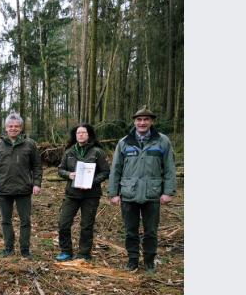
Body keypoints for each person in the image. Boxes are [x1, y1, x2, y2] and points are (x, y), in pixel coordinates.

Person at [107, 106, 177, 273]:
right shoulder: (124, 142)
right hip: (128, 193)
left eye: (146, 119)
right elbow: (115, 168)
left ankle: (149, 261)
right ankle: (132, 260)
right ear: (134, 122)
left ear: (152, 121)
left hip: (152, 194)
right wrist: (113, 193)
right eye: (139, 119)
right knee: (130, 231)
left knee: (151, 232)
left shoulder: (162, 141)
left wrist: (168, 192)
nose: (142, 122)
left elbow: (169, 168)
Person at [0, 112, 43, 258]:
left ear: (21, 128)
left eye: (16, 126)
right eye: (10, 126)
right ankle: (8, 248)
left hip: (24, 189)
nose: (13, 129)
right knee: (5, 220)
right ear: (6, 128)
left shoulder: (30, 144)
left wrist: (37, 183)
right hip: (4, 189)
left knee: (25, 221)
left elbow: (37, 166)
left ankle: (25, 250)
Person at [55, 124, 110, 261]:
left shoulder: (97, 152)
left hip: (91, 195)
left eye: (83, 132)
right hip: (72, 194)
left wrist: (92, 181)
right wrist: (69, 174)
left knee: (86, 225)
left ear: (89, 135)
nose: (80, 135)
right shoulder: (69, 152)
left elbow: (105, 172)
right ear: (75, 135)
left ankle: (84, 254)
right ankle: (66, 251)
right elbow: (60, 170)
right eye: (78, 133)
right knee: (63, 223)